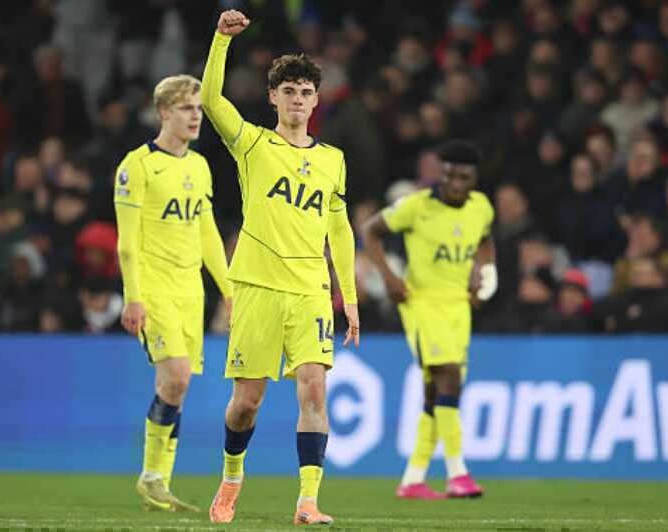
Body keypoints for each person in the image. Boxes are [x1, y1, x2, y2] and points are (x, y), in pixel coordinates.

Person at [200, 10, 359, 526]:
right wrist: (222, 42)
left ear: (316, 100)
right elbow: (210, 101)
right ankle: (230, 478)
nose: (297, 99)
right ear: (274, 97)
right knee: (246, 402)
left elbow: (341, 231)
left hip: (311, 291)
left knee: (313, 386)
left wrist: (349, 300)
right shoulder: (252, 145)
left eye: (305, 91)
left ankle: (308, 501)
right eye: (288, 90)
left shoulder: (333, 159)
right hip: (257, 287)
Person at [114, 74, 231, 513]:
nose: (196, 115)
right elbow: (126, 241)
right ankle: (153, 477)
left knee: (175, 385)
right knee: (178, 375)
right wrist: (133, 296)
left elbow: (207, 235)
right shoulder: (137, 167)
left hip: (189, 291)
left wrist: (229, 290)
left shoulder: (198, 166)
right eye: (186, 108)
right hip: (154, 288)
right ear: (164, 112)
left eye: (199, 108)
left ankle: (154, 479)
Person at [362, 139, 497, 499]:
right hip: (422, 304)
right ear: (442, 172)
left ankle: (413, 479)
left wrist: (483, 271)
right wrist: (390, 277)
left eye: (463, 176)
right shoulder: (416, 207)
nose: (455, 182)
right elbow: (370, 230)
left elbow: (485, 241)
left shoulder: (481, 207)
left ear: (474, 178)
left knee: (437, 392)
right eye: (449, 174)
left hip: (459, 307)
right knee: (449, 377)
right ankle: (458, 473)